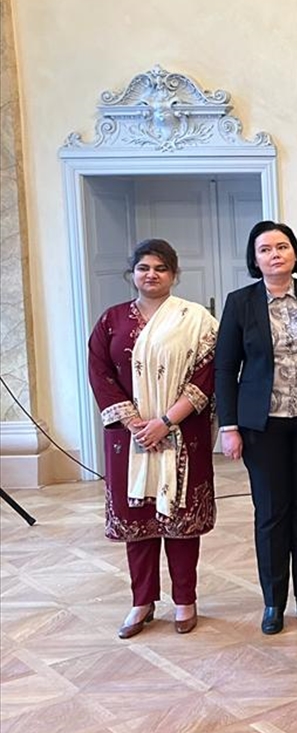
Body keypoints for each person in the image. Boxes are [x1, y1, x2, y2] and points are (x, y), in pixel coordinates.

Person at [215, 221, 297, 635]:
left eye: (282, 247)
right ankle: (274, 601)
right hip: (262, 425)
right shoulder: (240, 303)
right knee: (272, 513)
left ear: (294, 253)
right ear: (255, 260)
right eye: (265, 249)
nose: (274, 254)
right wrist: (229, 426)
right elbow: (225, 366)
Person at [87, 239, 218, 638]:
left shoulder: (197, 320)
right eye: (144, 268)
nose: (151, 275)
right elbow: (100, 372)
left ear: (174, 275)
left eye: (160, 268)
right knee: (139, 523)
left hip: (182, 433)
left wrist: (166, 420)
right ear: (133, 274)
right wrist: (135, 423)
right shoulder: (111, 320)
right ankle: (141, 601)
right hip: (131, 440)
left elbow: (207, 372)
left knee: (180, 522)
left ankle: (185, 600)